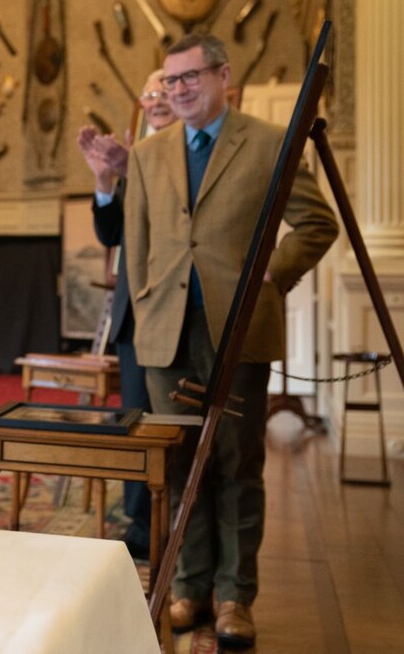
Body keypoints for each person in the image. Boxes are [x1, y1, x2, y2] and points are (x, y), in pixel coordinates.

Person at [125, 34, 337, 647]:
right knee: (183, 461)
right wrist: (144, 302)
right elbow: (137, 246)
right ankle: (189, 587)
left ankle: (234, 596)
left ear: (224, 78)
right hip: (167, 332)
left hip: (239, 329)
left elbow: (317, 223)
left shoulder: (270, 143)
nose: (179, 90)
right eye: (170, 81)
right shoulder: (148, 153)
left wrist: (276, 270)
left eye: (191, 77)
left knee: (238, 465)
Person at [76, 70, 178, 562]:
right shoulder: (132, 153)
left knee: (173, 425)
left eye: (167, 90)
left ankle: (181, 522)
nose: (158, 99)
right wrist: (104, 181)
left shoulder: (186, 156)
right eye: (151, 92)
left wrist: (131, 169)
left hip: (182, 310)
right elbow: (112, 232)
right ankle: (141, 526)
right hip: (135, 314)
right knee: (135, 420)